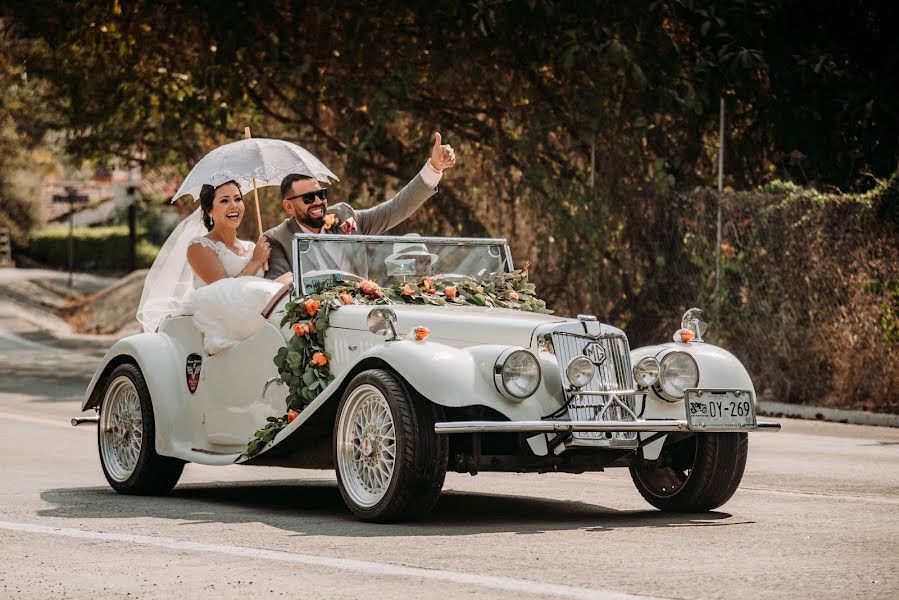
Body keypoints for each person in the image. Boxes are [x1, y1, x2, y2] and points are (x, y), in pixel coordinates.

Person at [263, 132, 456, 281]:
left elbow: (394, 209)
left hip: (363, 316)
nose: (317, 202)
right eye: (307, 198)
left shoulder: (344, 215)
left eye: (321, 194)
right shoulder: (278, 239)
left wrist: (434, 168)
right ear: (288, 207)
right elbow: (278, 292)